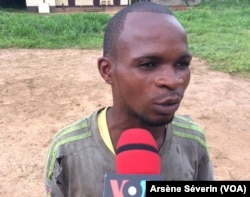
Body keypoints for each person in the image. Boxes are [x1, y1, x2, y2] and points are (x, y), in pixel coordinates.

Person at [44, 2, 214, 196]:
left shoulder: (192, 141)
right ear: (107, 71)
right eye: (149, 64)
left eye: (182, 64)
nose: (173, 81)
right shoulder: (67, 151)